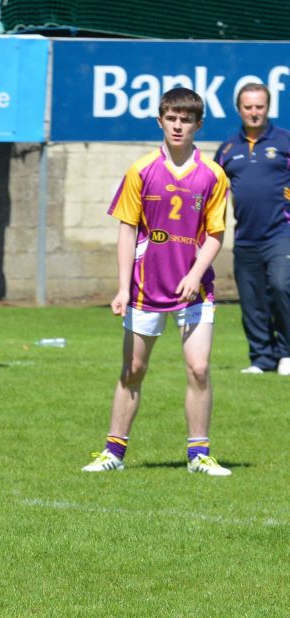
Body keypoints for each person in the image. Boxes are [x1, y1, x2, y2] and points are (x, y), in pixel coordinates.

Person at [82, 87, 231, 476]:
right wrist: (121, 286)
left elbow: (215, 235)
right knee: (133, 370)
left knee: (198, 368)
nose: (178, 125)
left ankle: (199, 455)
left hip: (194, 291)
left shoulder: (213, 175)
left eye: (186, 119)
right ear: (160, 121)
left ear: (198, 125)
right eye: (171, 118)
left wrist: (194, 274)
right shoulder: (141, 170)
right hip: (146, 289)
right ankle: (113, 453)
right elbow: (127, 230)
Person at [214, 82, 290, 376]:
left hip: (281, 233)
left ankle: (286, 353)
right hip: (245, 237)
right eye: (249, 107)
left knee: (283, 287)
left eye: (259, 106)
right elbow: (214, 189)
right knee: (251, 299)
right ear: (239, 109)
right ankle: (261, 359)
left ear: (268, 107)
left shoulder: (285, 142)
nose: (254, 112)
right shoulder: (228, 148)